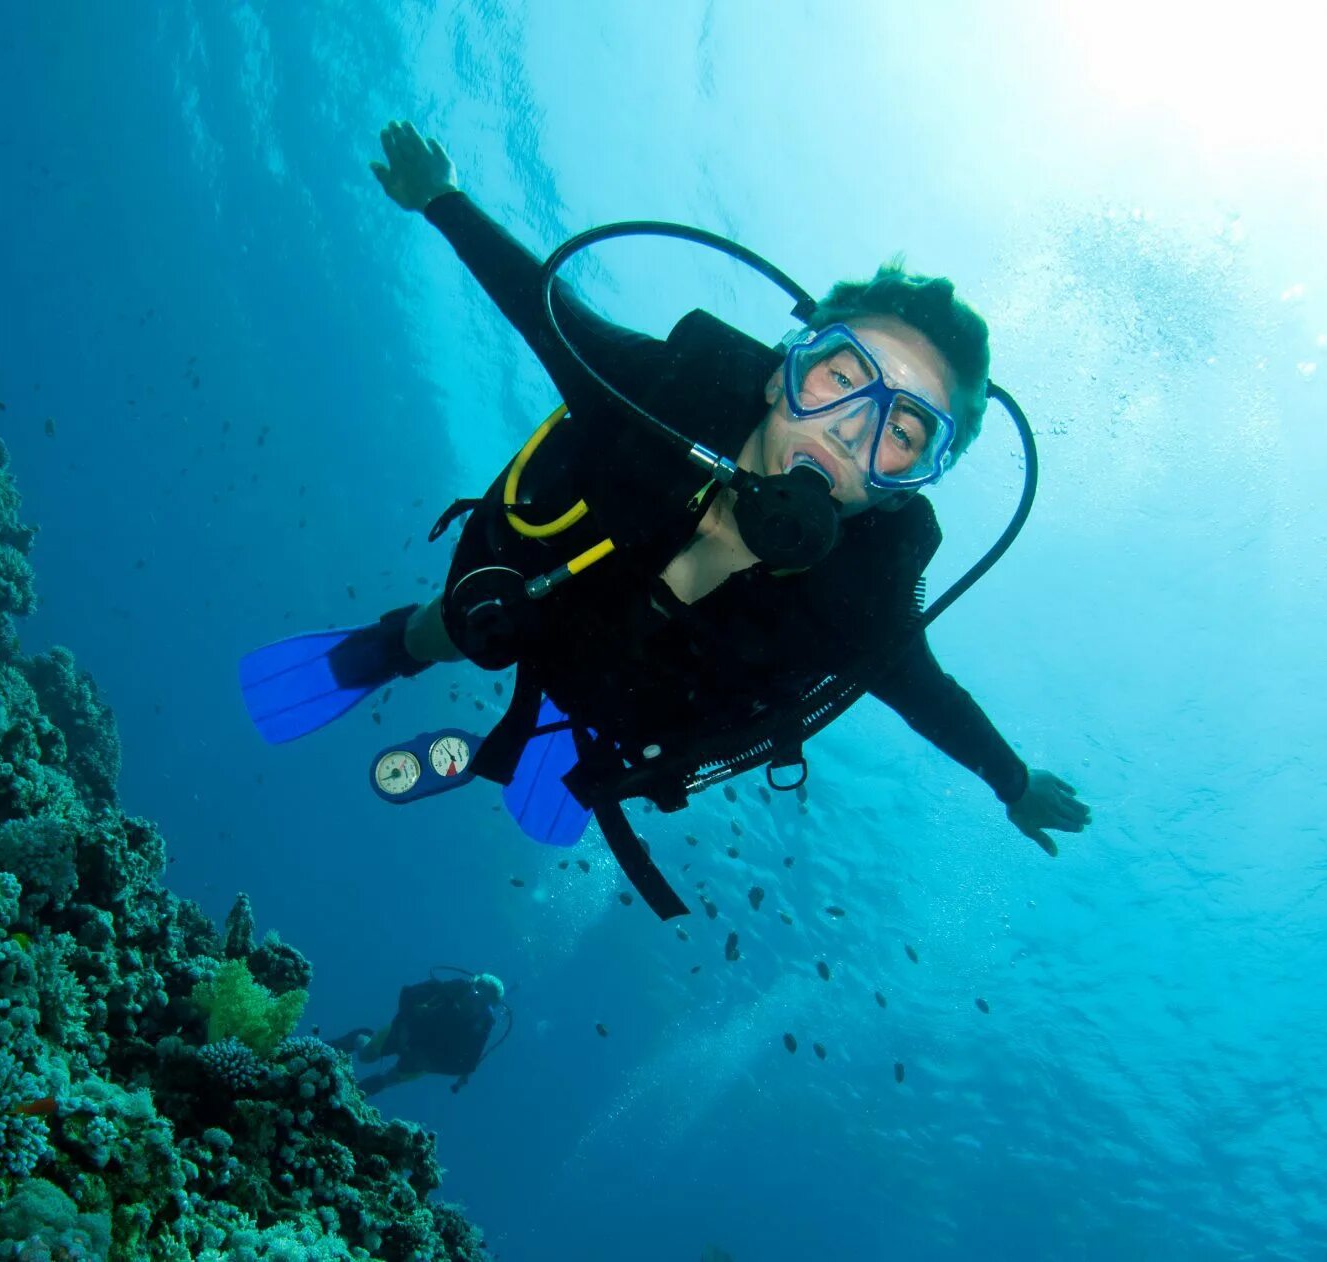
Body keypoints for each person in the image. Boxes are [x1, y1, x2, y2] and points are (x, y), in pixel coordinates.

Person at [242, 120, 1088, 905]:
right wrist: (442, 199)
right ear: (780, 372)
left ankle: (557, 741)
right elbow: (547, 308)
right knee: (476, 623)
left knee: (605, 728)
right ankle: (399, 645)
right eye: (841, 376)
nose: (850, 430)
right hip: (536, 607)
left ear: (909, 482)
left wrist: (1013, 783)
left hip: (634, 706)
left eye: (903, 430)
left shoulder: (862, 602)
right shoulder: (656, 394)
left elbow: (928, 695)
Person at [327, 970, 509, 1096]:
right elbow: (408, 994)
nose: (474, 1006)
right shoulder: (446, 991)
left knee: (390, 1078)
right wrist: (404, 1026)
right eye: (476, 996)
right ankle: (359, 1036)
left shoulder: (481, 1026)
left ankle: (351, 1099)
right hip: (406, 1031)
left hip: (426, 1055)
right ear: (471, 986)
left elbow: (467, 1064)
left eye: (484, 1005)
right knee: (366, 1055)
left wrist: (431, 1065)